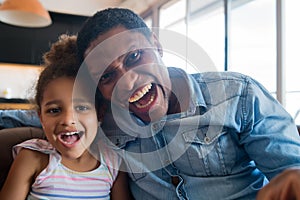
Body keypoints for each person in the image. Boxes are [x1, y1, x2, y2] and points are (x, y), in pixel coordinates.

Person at [75, 7, 300, 200]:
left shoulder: (239, 96)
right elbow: (51, 115)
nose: (128, 82)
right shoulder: (101, 123)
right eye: (106, 76)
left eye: (134, 57)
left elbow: (291, 174)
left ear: (156, 44)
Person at [0, 34, 132, 200]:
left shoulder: (113, 163)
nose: (68, 120)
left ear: (100, 113)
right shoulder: (32, 157)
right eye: (54, 110)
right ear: (40, 117)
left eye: (81, 107)